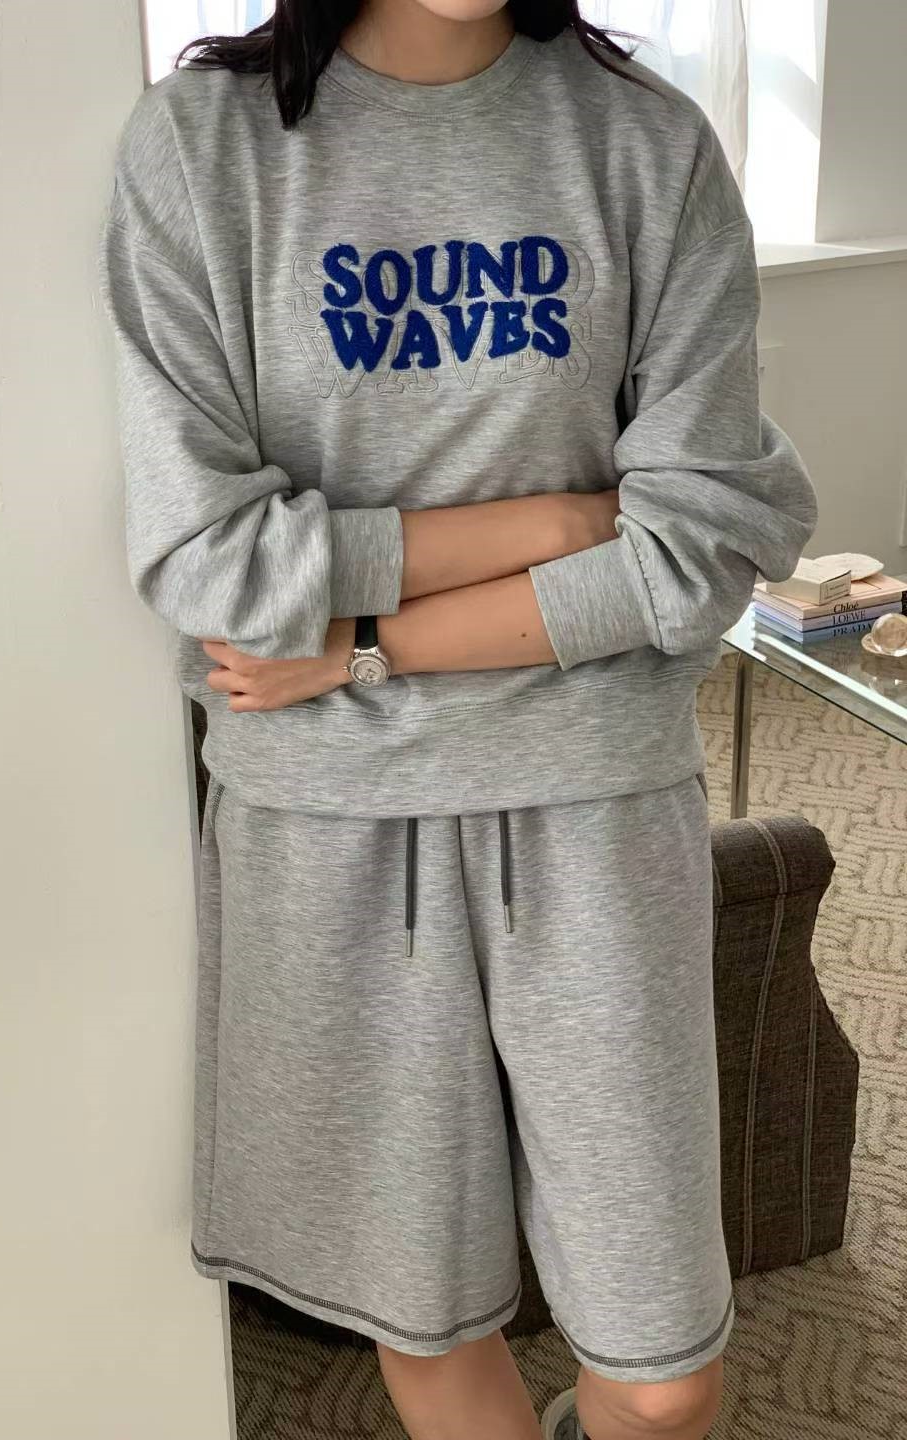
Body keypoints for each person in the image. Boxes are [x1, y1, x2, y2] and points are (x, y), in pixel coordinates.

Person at [97, 2, 818, 1436]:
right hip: (331, 818)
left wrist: (365, 645)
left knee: (663, 1377)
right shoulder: (202, 150)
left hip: (593, 796)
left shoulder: (646, 143)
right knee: (424, 1313)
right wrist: (553, 521)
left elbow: (700, 546)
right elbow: (208, 561)